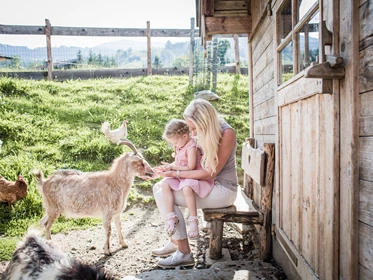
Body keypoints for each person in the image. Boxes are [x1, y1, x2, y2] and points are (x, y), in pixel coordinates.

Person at [152, 98, 239, 269]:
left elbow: (209, 173)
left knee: (162, 192)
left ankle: (184, 252)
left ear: (204, 122)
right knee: (160, 186)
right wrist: (171, 170)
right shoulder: (204, 132)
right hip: (207, 184)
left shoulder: (226, 133)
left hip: (223, 189)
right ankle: (176, 240)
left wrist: (176, 173)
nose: (192, 134)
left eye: (194, 128)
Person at [154, 118, 214, 240]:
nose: (174, 145)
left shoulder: (192, 147)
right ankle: (171, 216)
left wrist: (173, 168)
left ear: (185, 136)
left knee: (187, 188)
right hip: (181, 175)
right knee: (165, 184)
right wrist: (168, 167)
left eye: (175, 142)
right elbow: (178, 162)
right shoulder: (181, 145)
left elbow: (190, 167)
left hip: (193, 176)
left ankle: (193, 221)